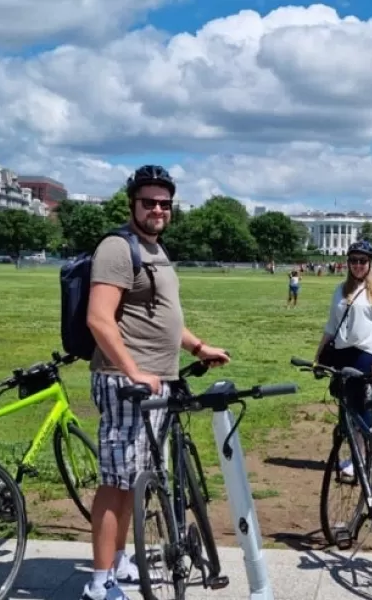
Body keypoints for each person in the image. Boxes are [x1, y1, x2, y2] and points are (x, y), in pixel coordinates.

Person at [85, 165, 231, 600]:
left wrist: (197, 347)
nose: (157, 209)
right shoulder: (117, 248)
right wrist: (132, 371)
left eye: (165, 203)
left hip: (157, 381)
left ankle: (119, 560)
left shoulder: (155, 249)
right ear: (132, 203)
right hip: (125, 382)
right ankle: (98, 582)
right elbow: (99, 318)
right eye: (148, 201)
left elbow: (163, 317)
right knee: (116, 483)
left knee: (136, 479)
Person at [313, 240, 372, 479]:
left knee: (362, 406)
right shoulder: (340, 289)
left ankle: (365, 456)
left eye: (362, 261)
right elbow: (331, 326)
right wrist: (319, 355)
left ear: (370, 263)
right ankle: (353, 453)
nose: (357, 265)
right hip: (342, 353)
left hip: (364, 353)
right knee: (344, 406)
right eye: (353, 261)